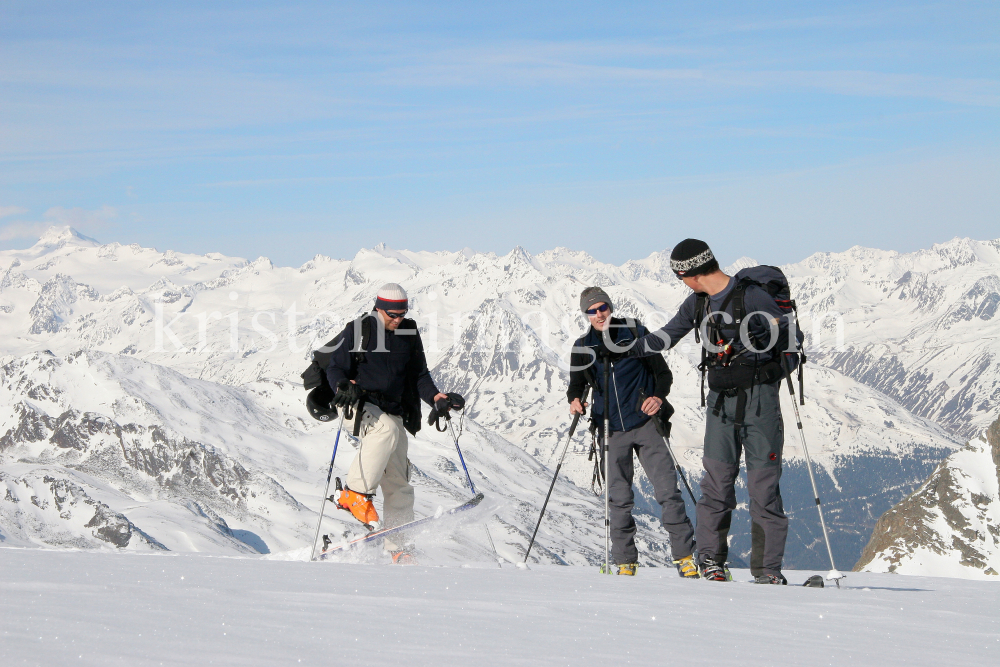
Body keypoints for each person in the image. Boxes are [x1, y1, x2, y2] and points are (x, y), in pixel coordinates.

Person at [625, 239, 793, 584]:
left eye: (679, 276)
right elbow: (668, 335)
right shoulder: (697, 303)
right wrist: (627, 350)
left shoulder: (752, 296)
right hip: (720, 403)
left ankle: (768, 572)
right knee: (716, 483)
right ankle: (711, 561)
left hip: (760, 401)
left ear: (690, 273)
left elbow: (789, 339)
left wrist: (767, 365)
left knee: (763, 487)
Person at [567, 286, 698, 577]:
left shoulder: (635, 333)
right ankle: (625, 562)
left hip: (646, 424)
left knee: (667, 493)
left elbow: (663, 374)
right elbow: (575, 385)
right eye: (592, 310)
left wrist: (658, 397)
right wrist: (574, 401)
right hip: (609, 428)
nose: (599, 314)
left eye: (603, 307)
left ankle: (685, 558)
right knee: (619, 499)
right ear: (585, 314)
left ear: (610, 307)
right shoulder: (582, 347)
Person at [325, 283, 454, 563]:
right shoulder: (360, 329)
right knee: (386, 430)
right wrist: (342, 385)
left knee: (399, 484)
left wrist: (436, 397)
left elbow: (419, 374)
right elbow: (334, 366)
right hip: (358, 406)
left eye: (403, 313)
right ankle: (354, 494)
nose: (398, 319)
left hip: (393, 411)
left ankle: (398, 547)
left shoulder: (408, 332)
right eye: (392, 314)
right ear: (378, 308)